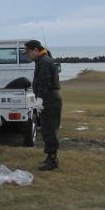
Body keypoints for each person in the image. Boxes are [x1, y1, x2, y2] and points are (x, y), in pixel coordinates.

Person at [24, 39, 62, 170]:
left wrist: (39, 99)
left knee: (49, 129)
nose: (27, 55)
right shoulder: (41, 60)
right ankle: (50, 156)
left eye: (28, 52)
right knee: (46, 128)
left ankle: (52, 159)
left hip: (49, 98)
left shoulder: (45, 61)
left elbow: (44, 81)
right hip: (47, 98)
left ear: (35, 49)